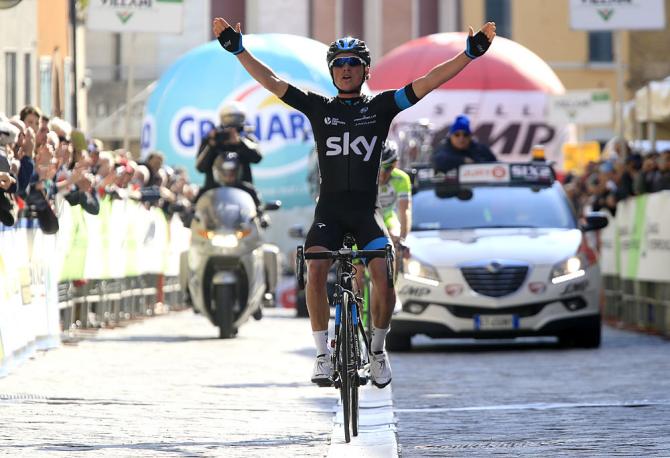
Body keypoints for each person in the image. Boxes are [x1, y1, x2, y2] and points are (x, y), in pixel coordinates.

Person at [213, 16, 495, 388]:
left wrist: (468, 55)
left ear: (365, 70)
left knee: (383, 278)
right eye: (339, 64)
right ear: (332, 72)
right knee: (314, 271)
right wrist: (239, 50)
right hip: (328, 212)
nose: (346, 70)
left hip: (365, 213)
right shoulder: (318, 106)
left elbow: (427, 83)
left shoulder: (381, 106)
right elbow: (274, 83)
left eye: (353, 63)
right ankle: (321, 354)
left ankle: (377, 349)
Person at [195, 101, 262, 200]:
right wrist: (212, 146)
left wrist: (240, 143)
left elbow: (257, 158)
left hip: (243, 193)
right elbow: (200, 167)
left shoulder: (246, 138)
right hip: (214, 192)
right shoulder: (212, 138)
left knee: (256, 207)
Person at [432, 114, 496, 173]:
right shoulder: (444, 148)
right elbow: (438, 161)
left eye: (465, 135)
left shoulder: (481, 149)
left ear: (470, 136)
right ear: (451, 136)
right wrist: (463, 160)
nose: (461, 138)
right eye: (457, 135)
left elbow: (496, 165)